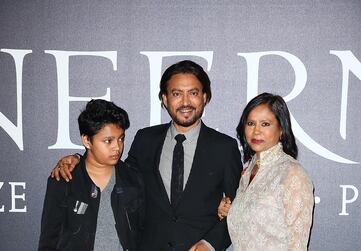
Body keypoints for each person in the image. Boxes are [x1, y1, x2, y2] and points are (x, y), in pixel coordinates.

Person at [51, 60, 243, 251]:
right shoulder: (145, 139)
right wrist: (78, 158)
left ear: (205, 97)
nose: (185, 102)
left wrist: (210, 244)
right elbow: (118, 175)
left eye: (193, 93)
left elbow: (239, 209)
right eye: (177, 94)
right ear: (165, 99)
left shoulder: (224, 148)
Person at [38, 99, 144, 251]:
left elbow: (144, 235)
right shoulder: (64, 179)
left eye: (121, 139)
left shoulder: (133, 179)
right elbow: (49, 240)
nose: (117, 147)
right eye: (108, 141)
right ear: (87, 140)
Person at [218, 93, 314, 251]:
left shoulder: (292, 173)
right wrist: (230, 210)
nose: (256, 131)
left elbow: (297, 244)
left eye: (265, 124)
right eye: (250, 123)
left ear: (281, 129)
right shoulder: (248, 170)